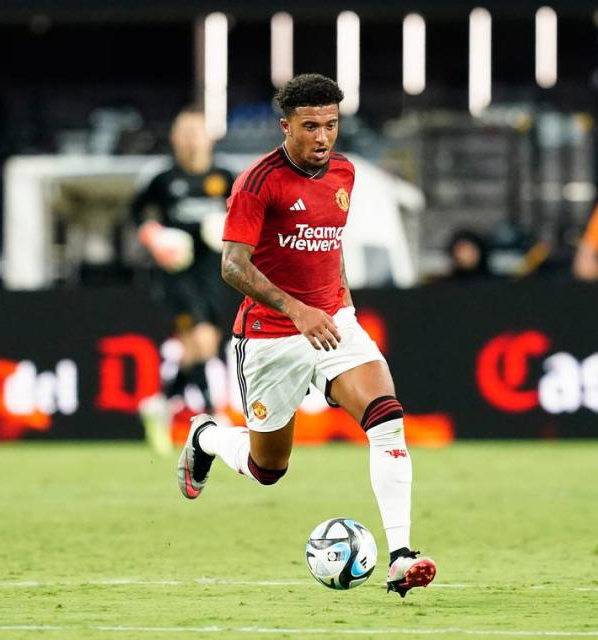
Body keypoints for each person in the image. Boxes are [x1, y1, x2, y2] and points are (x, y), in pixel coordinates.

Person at [176, 74, 437, 597]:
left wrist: (343, 304)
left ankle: (401, 556)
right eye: (311, 126)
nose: (323, 137)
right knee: (267, 467)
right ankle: (205, 436)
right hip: (271, 336)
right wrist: (297, 310)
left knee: (386, 417)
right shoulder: (257, 182)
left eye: (332, 125)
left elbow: (330, 243)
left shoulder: (344, 172)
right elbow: (232, 265)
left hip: (334, 323)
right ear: (286, 126)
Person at [131, 107, 235, 455]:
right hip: (176, 273)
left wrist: (227, 229)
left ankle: (160, 403)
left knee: (199, 346)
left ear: (209, 136)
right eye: (184, 132)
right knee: (202, 342)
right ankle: (211, 415)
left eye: (197, 131)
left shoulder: (226, 177)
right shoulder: (163, 180)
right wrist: (155, 236)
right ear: (175, 138)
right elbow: (139, 213)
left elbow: (249, 214)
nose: (191, 139)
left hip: (213, 271)